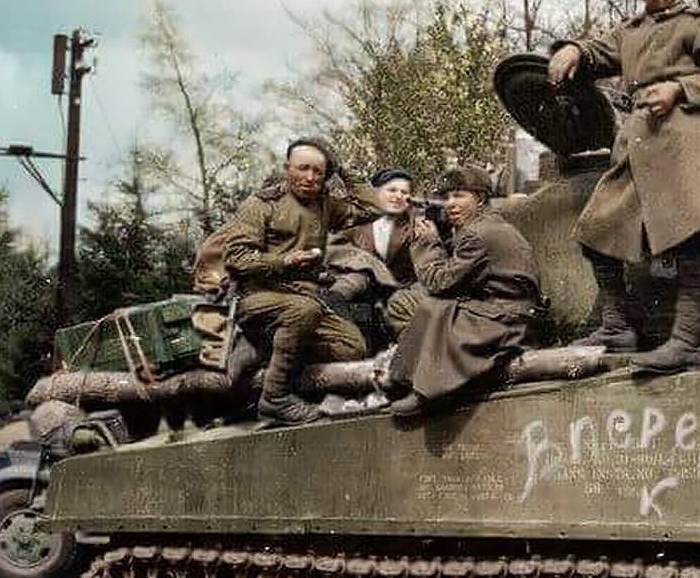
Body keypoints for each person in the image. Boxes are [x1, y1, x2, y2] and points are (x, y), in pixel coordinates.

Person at [546, 0, 700, 376]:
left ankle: (684, 342)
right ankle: (617, 325)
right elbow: (601, 53)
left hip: (685, 142)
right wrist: (574, 50)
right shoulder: (632, 29)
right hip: (639, 144)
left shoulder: (698, 24)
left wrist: (680, 89)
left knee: (689, 239)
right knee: (595, 228)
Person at [221, 139, 380, 426]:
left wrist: (341, 168)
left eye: (318, 171)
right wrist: (284, 261)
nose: (310, 177)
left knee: (351, 347)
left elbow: (373, 207)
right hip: (259, 296)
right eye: (302, 169)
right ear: (287, 169)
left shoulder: (324, 203)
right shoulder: (262, 204)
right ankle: (275, 399)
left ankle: (268, 349)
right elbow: (236, 258)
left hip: (306, 299)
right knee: (303, 311)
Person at [385, 168, 542, 419]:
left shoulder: (477, 234)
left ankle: (428, 391)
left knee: (434, 306)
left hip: (505, 320)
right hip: (505, 309)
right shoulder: (487, 224)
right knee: (420, 303)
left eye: (459, 196)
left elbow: (439, 283)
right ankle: (406, 377)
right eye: (446, 197)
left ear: (479, 199)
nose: (450, 204)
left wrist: (428, 243)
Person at [324, 167, 428, 345]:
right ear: (376, 193)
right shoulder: (355, 221)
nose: (398, 196)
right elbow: (334, 249)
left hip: (399, 288)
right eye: (392, 190)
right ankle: (334, 302)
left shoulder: (416, 223)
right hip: (363, 289)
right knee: (357, 276)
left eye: (404, 192)